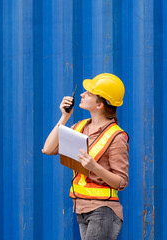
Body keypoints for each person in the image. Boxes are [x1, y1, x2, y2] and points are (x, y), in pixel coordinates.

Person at [42, 73, 129, 240]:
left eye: (88, 93)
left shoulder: (116, 137)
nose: (81, 94)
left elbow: (121, 181)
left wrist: (95, 167)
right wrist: (64, 116)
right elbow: (48, 148)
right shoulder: (80, 127)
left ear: (100, 105)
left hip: (103, 210)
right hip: (81, 208)